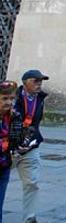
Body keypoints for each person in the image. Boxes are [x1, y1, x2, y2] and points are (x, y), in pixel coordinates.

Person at [13, 70, 48, 223]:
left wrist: (31, 141)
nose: (39, 84)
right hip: (9, 147)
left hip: (30, 147)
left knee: (32, 182)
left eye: (41, 81)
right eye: (35, 81)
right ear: (25, 82)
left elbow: (35, 123)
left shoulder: (40, 98)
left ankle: (30, 217)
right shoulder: (12, 98)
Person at [0, 81, 24, 223]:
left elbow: (15, 139)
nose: (9, 102)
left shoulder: (14, 116)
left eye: (11, 98)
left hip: (4, 166)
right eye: (4, 98)